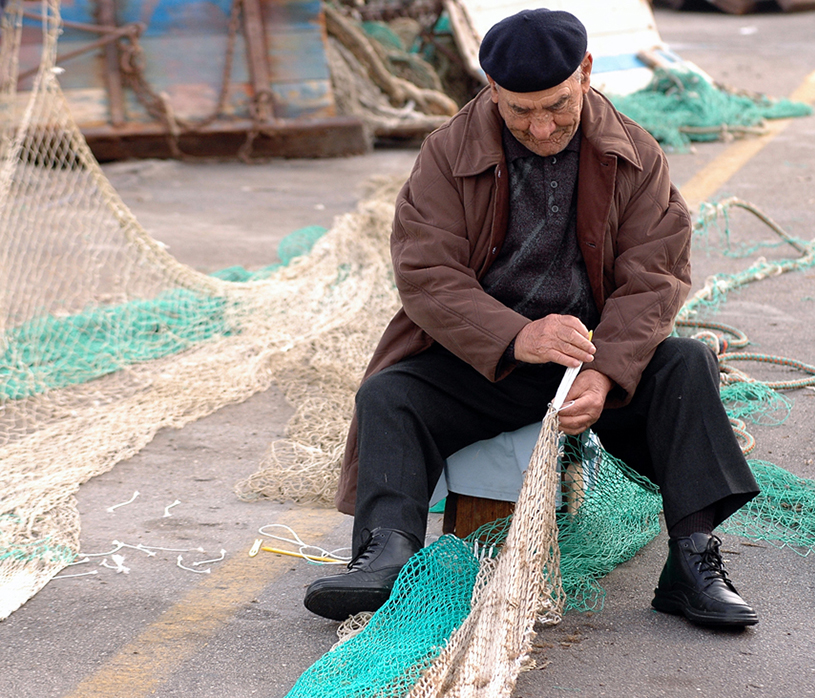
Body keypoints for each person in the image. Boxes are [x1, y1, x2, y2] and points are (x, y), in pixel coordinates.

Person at [304, 8, 761, 629]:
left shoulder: (636, 153)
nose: (541, 127)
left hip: (589, 360)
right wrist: (518, 336)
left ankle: (693, 558)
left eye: (557, 106)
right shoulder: (446, 154)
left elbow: (655, 276)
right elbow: (426, 277)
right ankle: (384, 555)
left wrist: (606, 372)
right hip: (484, 360)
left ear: (587, 73)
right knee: (391, 393)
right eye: (520, 111)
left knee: (687, 363)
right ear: (491, 89)